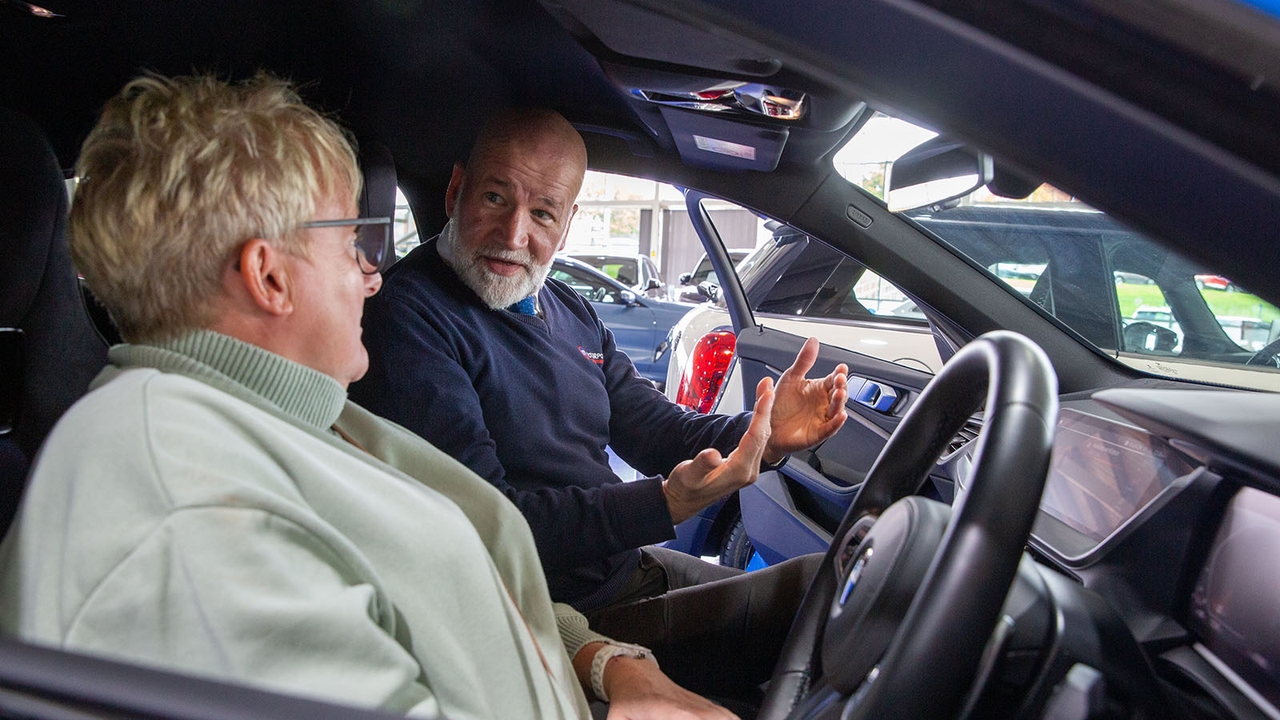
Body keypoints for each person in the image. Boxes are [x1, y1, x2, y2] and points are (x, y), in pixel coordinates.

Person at [0, 74, 746, 720]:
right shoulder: (185, 512)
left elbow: (461, 581)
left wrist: (609, 663)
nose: (374, 274)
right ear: (269, 275)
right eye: (353, 241)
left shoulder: (291, 418)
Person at [349, 108, 849, 700]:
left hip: (625, 570)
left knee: (833, 592)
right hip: (557, 614)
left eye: (541, 213)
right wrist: (665, 503)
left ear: (567, 224)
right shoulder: (411, 318)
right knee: (828, 591)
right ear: (456, 190)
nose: (514, 236)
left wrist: (763, 433)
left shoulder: (568, 308)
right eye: (493, 197)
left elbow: (655, 429)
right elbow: (490, 524)